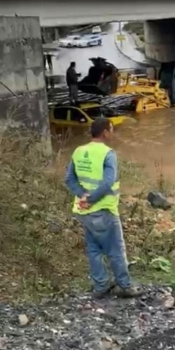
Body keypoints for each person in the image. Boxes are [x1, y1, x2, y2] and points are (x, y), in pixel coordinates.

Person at [65, 118, 141, 299]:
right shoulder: (108, 153)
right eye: (111, 130)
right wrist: (91, 199)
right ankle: (125, 286)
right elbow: (108, 182)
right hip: (104, 210)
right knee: (115, 249)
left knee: (93, 249)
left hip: (84, 211)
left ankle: (101, 286)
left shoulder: (78, 151)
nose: (112, 133)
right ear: (105, 132)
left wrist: (82, 195)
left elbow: (69, 179)